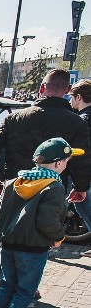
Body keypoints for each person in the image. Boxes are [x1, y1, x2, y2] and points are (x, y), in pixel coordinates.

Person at [0, 69, 91, 299]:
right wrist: (80, 187)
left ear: (41, 89)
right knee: (41, 236)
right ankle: (28, 285)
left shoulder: (16, 117)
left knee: (5, 232)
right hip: (50, 188)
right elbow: (82, 159)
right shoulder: (74, 122)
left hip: (15, 185)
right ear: (67, 91)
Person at [0, 138, 77, 308]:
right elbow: (47, 221)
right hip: (33, 248)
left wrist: (3, 236)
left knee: (6, 287)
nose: (66, 165)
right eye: (65, 161)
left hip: (8, 244)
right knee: (24, 291)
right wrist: (58, 237)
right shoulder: (53, 187)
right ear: (57, 164)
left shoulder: (14, 181)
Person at [68, 78, 91, 257]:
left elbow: (81, 152)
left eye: (72, 97)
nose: (70, 101)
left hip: (85, 174)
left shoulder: (82, 120)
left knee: (84, 207)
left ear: (78, 97)